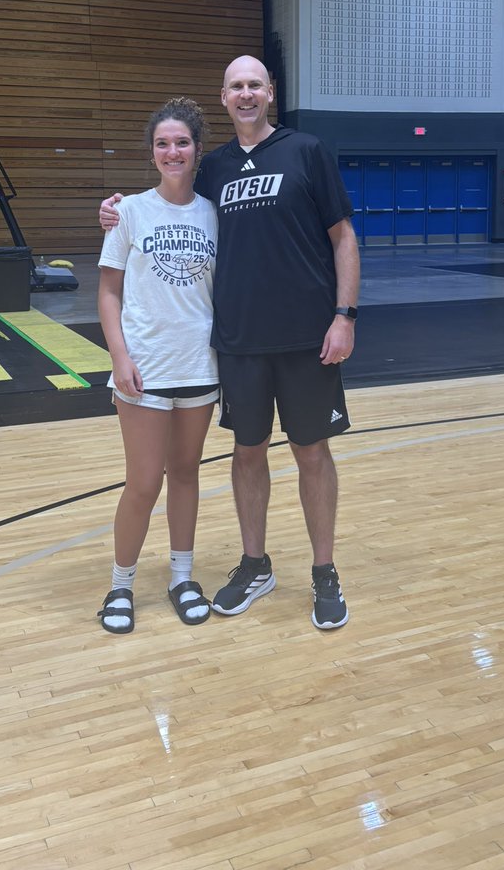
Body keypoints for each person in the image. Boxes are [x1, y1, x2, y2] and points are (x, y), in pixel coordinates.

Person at [100, 57, 360, 631]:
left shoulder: (307, 151)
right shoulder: (211, 168)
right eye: (235, 86)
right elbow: (163, 198)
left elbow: (343, 238)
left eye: (254, 85)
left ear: (271, 92)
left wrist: (344, 315)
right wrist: (111, 210)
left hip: (307, 338)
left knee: (312, 453)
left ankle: (324, 573)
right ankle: (254, 564)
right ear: (223, 97)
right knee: (247, 453)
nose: (246, 94)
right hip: (237, 345)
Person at [96, 97, 219, 635]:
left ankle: (182, 577)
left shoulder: (215, 214)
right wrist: (119, 356)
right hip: (144, 367)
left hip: (199, 364)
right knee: (143, 482)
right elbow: (107, 291)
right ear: (153, 153)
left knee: (186, 474)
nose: (173, 151)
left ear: (197, 151)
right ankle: (120, 585)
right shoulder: (127, 212)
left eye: (182, 142)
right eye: (163, 143)